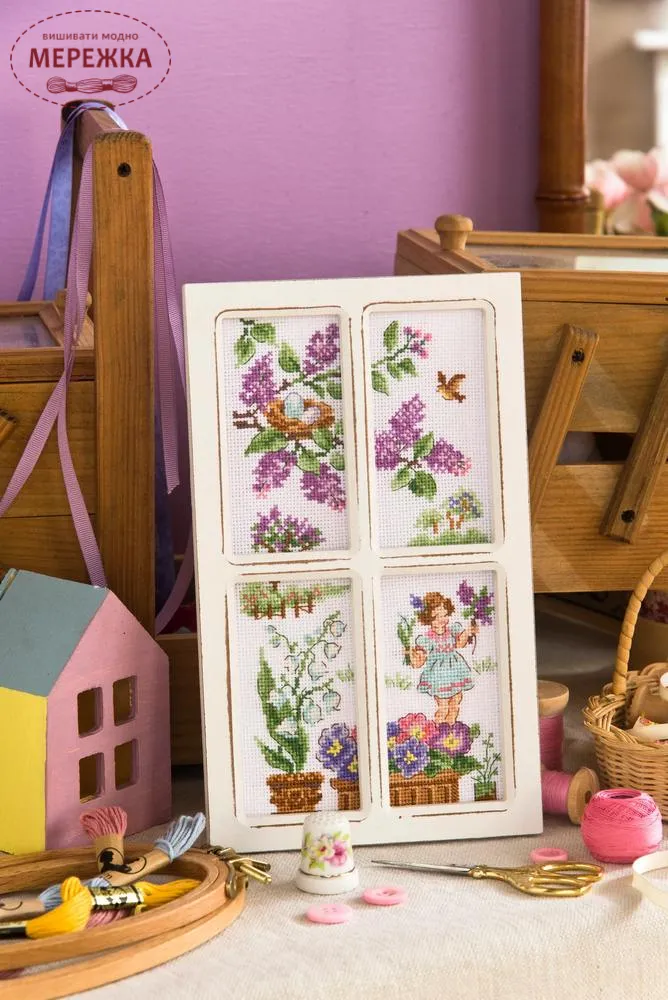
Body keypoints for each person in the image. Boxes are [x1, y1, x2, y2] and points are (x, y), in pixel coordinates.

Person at [409, 591, 477, 724]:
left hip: (456, 672)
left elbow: (460, 644)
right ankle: (438, 728)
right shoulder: (427, 638)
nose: (442, 619)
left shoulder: (452, 630)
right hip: (438, 676)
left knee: (456, 701)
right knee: (443, 706)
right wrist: (415, 656)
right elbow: (420, 660)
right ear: (428, 618)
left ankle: (451, 727)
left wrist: (468, 632)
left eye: (444, 615)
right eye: (436, 617)